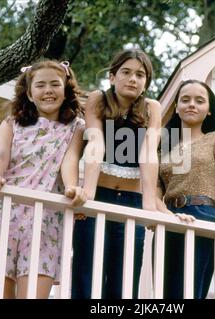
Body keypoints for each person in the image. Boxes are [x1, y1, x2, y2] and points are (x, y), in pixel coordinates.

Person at [0, 60, 85, 299]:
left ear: (65, 90)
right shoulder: (11, 123)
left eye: (55, 84)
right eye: (40, 85)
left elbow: (70, 160)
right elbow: (0, 155)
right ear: (29, 93)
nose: (48, 90)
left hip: (45, 224)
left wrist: (72, 186)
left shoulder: (75, 127)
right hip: (1, 220)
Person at [70, 49, 161, 299]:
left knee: (124, 281)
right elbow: (95, 144)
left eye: (140, 75)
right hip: (99, 194)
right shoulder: (99, 99)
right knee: (87, 274)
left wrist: (149, 204)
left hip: (131, 203)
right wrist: (88, 193)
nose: (133, 79)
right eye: (126, 72)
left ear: (146, 83)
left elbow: (149, 153)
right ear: (112, 77)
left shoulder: (152, 107)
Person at [155, 79, 215, 299]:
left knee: (189, 292)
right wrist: (167, 215)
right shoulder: (163, 148)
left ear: (208, 110)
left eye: (199, 101)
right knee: (165, 293)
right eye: (185, 100)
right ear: (176, 107)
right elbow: (154, 193)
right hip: (169, 218)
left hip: (202, 216)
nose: (191, 105)